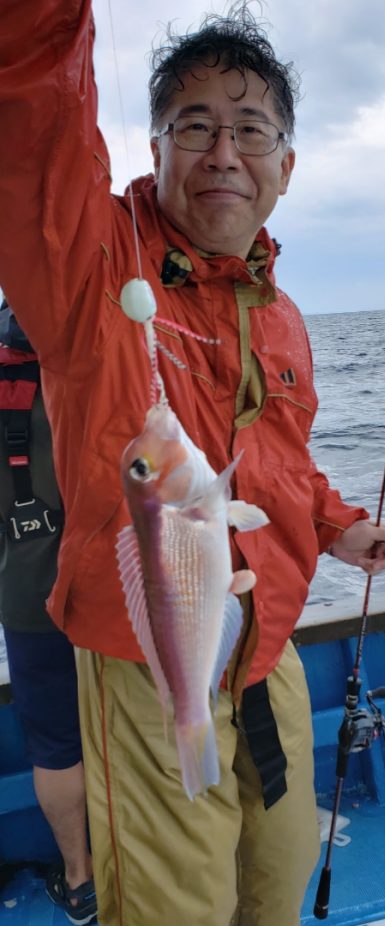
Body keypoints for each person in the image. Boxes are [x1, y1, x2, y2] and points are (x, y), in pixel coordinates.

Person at [0, 4, 385, 925]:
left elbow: (281, 464)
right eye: (194, 126)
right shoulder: (94, 270)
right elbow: (30, 124)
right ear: (154, 148)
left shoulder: (282, 312)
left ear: (286, 167)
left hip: (269, 646)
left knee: (279, 878)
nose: (223, 152)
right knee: (178, 909)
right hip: (149, 656)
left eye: (250, 128)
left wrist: (339, 527)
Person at [0, 300, 97, 924]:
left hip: (28, 588)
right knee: (133, 723)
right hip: (116, 582)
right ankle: (145, 856)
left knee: (56, 744)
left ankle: (81, 881)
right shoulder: (102, 356)